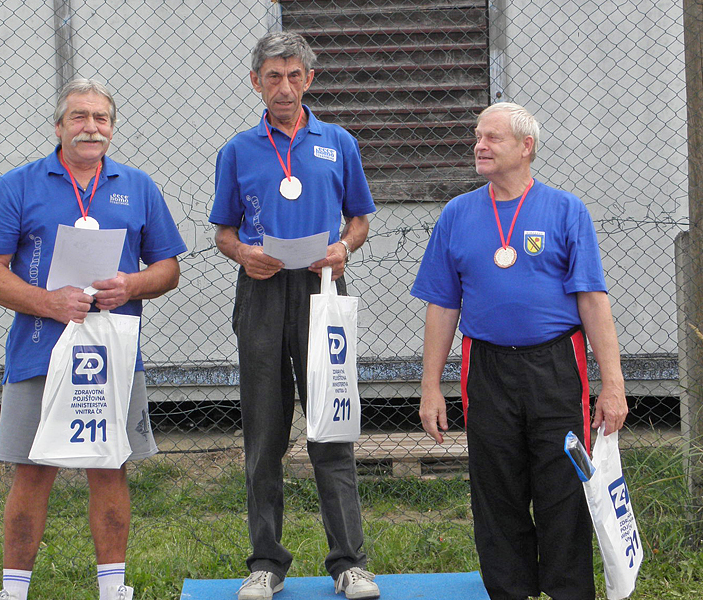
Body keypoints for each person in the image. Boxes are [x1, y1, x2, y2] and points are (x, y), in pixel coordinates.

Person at [0, 78, 187, 600]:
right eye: (79, 117)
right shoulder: (17, 185)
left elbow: (168, 269)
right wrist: (47, 302)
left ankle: (113, 589)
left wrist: (131, 285)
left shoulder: (138, 186)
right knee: (32, 470)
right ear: (58, 127)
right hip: (38, 351)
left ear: (111, 128)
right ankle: (13, 591)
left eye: (101, 118)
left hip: (113, 354)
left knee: (109, 467)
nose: (91, 127)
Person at [411, 102, 628, 600]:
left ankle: (568, 591)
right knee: (496, 490)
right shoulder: (457, 214)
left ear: (526, 147)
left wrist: (613, 385)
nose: (479, 146)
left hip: (555, 365)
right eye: (477, 137)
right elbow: (442, 305)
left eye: (492, 138)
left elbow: (593, 301)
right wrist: (430, 388)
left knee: (564, 488)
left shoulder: (566, 210)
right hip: (486, 367)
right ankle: (510, 591)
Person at [209, 31, 380, 600]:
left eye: (293, 76)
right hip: (261, 291)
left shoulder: (339, 142)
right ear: (255, 82)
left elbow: (359, 219)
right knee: (263, 433)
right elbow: (223, 232)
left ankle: (349, 563)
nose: (284, 87)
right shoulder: (237, 150)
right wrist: (243, 253)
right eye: (272, 77)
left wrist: (344, 248)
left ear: (309, 79)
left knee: (330, 424)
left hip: (322, 288)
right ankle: (266, 563)